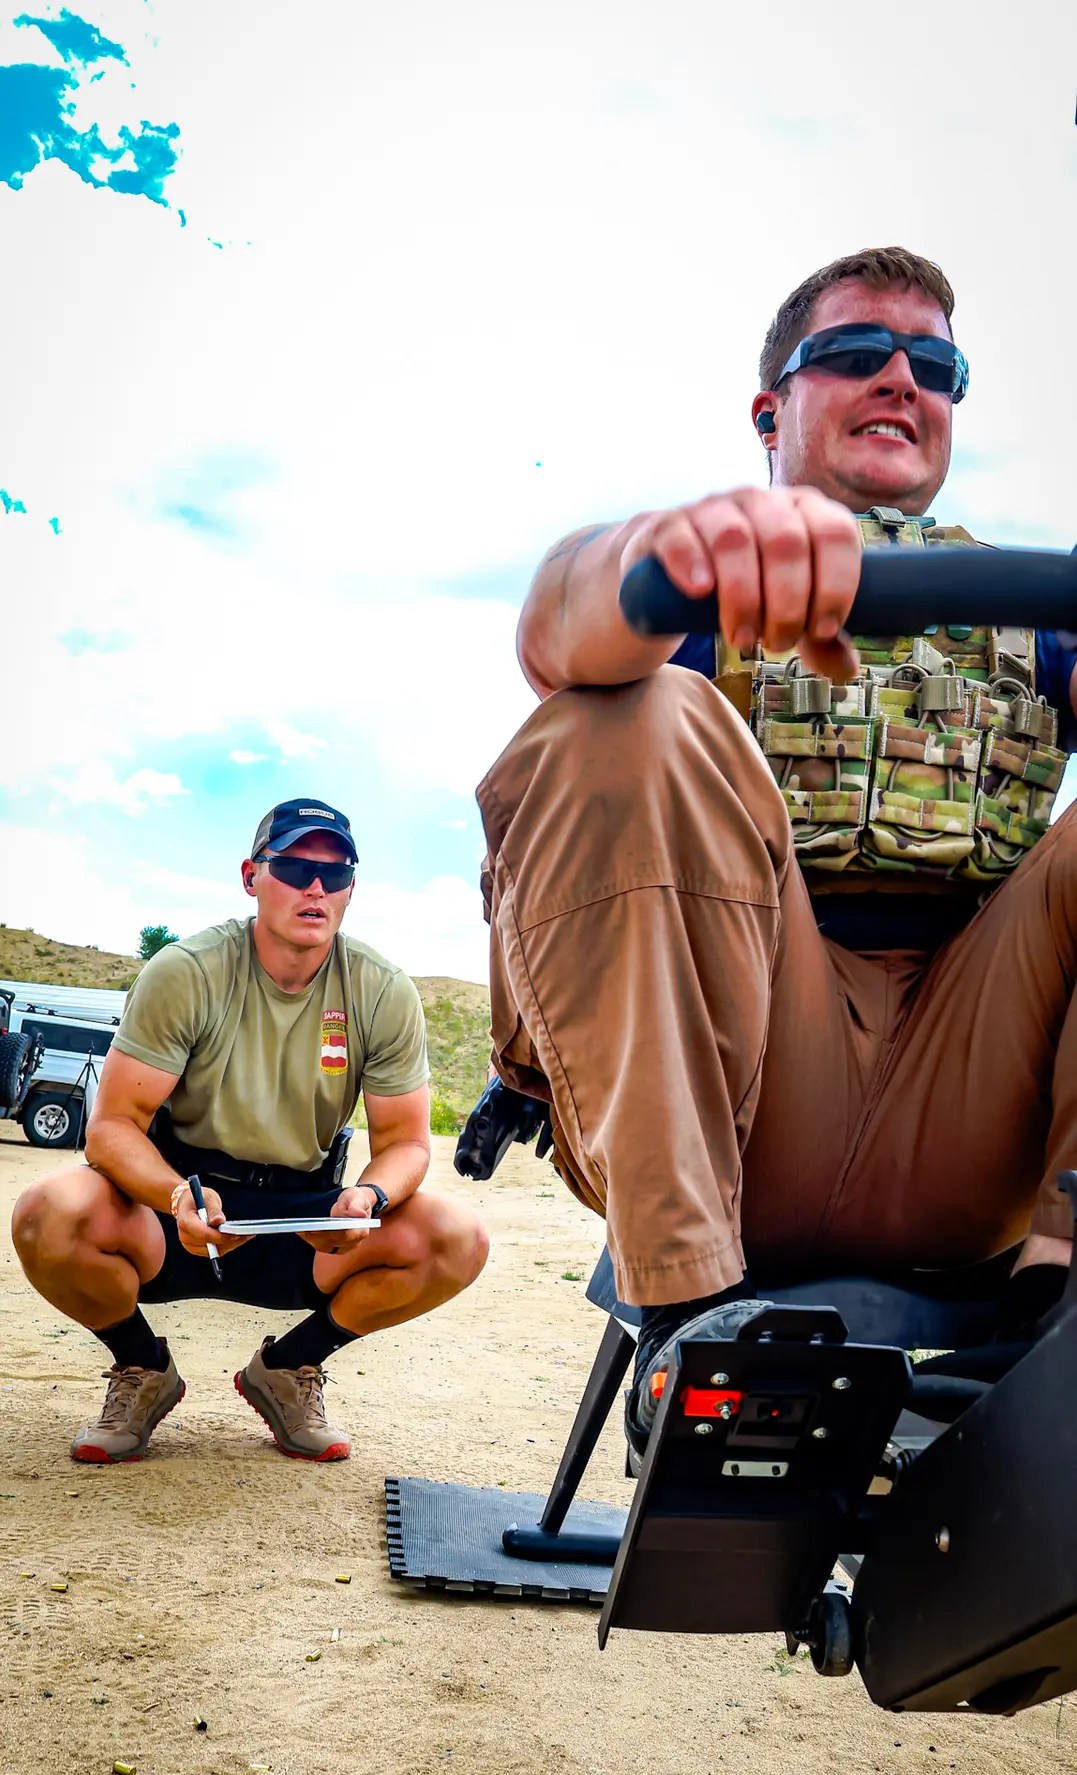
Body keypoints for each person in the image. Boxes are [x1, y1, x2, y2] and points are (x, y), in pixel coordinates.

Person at [475, 245, 1077, 1464]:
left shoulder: (1029, 612)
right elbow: (558, 626)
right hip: (744, 1106)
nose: (901, 379)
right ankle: (690, 1321)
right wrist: (670, 560)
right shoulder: (693, 583)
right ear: (772, 408)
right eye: (857, 354)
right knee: (623, 712)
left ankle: (1056, 1315)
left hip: (975, 1107)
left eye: (937, 366)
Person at [12, 798, 489, 1464]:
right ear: (251, 876)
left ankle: (290, 1369)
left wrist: (368, 1199)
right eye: (293, 866)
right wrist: (176, 1195)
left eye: (336, 872)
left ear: (353, 887)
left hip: (303, 1217)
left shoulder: (381, 990)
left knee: (454, 1238)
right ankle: (142, 1369)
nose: (316, 886)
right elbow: (113, 1127)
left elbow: (407, 1143)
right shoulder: (187, 971)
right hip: (182, 1204)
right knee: (47, 1213)